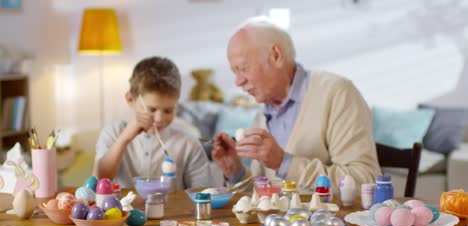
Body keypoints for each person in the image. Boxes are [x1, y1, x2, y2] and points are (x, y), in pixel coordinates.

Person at [212, 18, 381, 193]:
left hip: (327, 220)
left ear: (276, 55)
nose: (239, 81)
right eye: (235, 72)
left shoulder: (337, 92)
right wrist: (236, 172)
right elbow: (263, 195)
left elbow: (365, 181)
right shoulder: (262, 113)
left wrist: (284, 163)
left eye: (243, 68)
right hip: (276, 220)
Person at [93, 56, 211, 190]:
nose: (159, 118)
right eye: (152, 109)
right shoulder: (113, 133)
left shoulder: (188, 144)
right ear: (130, 99)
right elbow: (97, 181)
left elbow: (204, 193)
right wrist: (124, 138)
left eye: (168, 110)